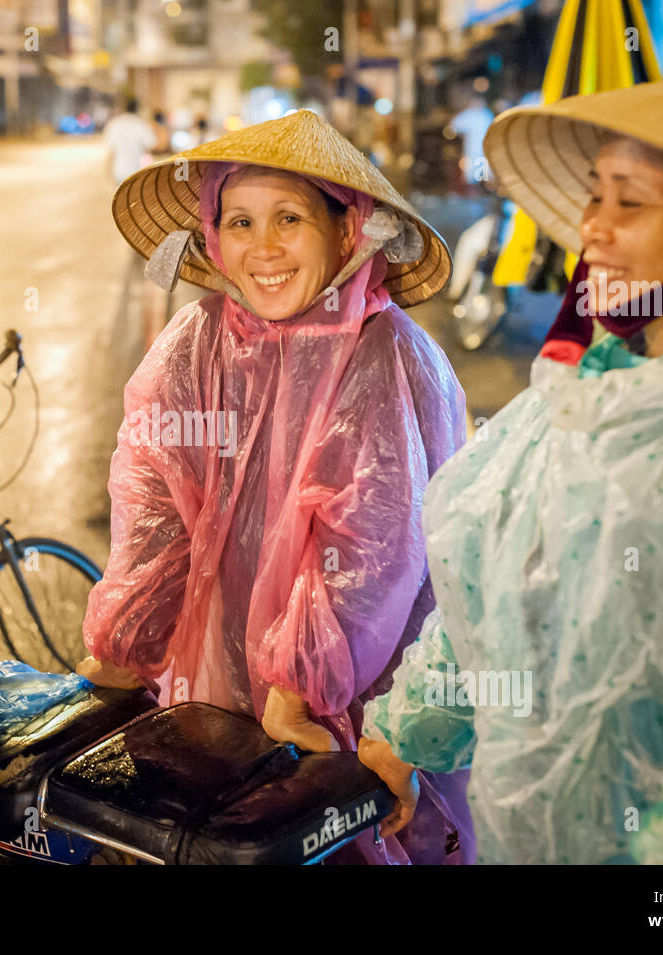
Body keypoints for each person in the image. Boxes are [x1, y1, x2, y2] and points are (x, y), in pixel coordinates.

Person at [359, 68, 663, 863]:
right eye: (595, 196)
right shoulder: (574, 398)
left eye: (631, 201)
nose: (595, 231)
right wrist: (405, 735)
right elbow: (491, 595)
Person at [80, 108, 474, 864]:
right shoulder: (197, 340)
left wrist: (298, 687)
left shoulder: (386, 351)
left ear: (347, 229)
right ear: (212, 235)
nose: (263, 248)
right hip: (221, 673)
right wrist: (126, 645)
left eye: (289, 217)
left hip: (358, 689)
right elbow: (153, 496)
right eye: (240, 221)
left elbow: (375, 540)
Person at [103, 98, 157, 185]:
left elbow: (111, 151)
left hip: (118, 172)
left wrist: (108, 172)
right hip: (137, 172)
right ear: (137, 109)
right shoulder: (142, 124)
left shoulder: (115, 124)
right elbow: (149, 149)